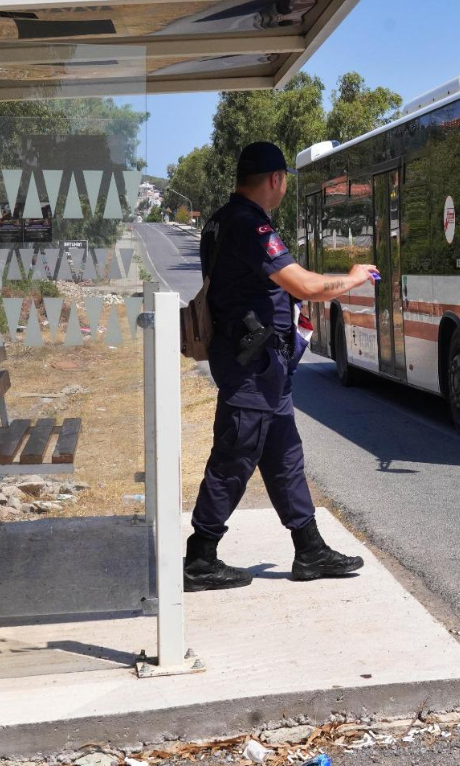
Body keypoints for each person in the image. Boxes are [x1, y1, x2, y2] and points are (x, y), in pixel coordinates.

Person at [184, 141, 378, 592]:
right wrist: (352, 277)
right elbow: (305, 285)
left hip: (264, 366)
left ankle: (309, 549)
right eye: (285, 178)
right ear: (275, 179)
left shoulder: (219, 219)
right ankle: (200, 557)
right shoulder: (248, 225)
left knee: (285, 456)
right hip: (249, 365)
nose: (285, 184)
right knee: (234, 456)